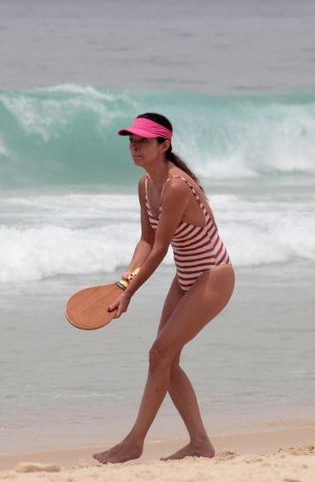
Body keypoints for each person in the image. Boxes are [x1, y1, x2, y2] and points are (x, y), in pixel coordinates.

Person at [93, 113, 234, 464]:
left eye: (142, 141)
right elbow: (145, 239)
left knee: (159, 353)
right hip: (186, 277)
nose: (134, 147)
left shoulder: (176, 186)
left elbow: (160, 248)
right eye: (131, 141)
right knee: (164, 360)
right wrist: (123, 281)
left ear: (164, 145)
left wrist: (129, 294)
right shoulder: (145, 185)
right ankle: (200, 443)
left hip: (213, 276)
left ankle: (134, 443)